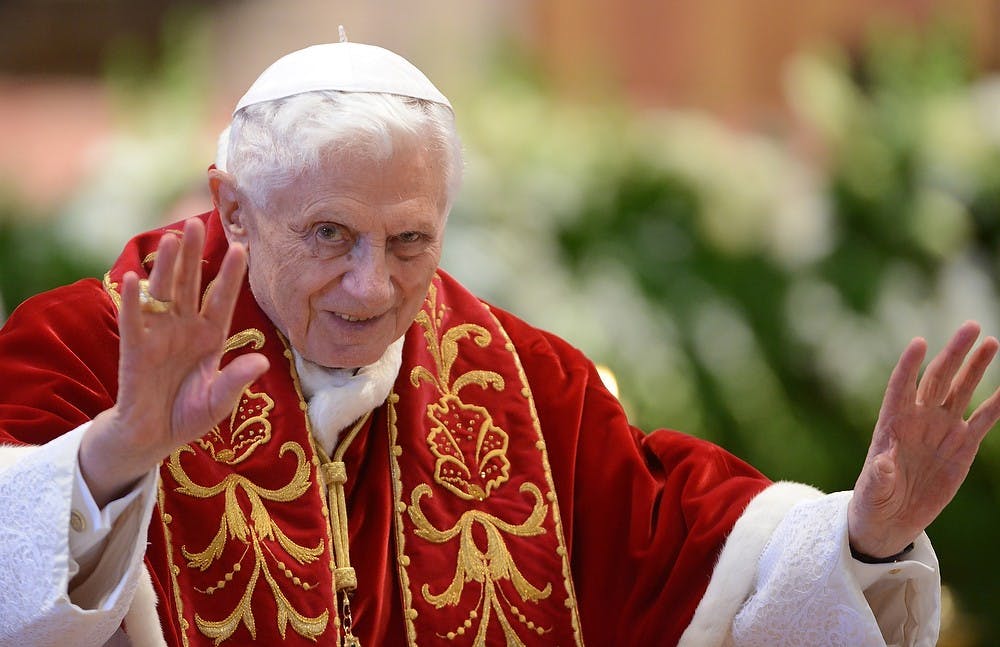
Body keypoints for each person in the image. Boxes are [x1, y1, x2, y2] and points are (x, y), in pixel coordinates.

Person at [0, 37, 997, 647]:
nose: (373, 286)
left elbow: (686, 546)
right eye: (329, 235)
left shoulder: (521, 379)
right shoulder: (91, 345)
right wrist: (120, 450)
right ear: (236, 207)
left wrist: (862, 533)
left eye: (410, 241)